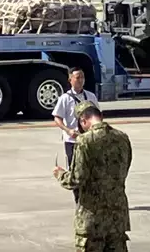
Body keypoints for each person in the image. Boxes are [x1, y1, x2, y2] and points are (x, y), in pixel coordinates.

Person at [53, 102, 133, 252]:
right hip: (117, 215)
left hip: (93, 216)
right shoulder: (122, 138)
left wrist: (61, 175)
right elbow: (125, 168)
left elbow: (76, 179)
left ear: (83, 120)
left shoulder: (85, 141)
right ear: (100, 116)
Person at [52, 67, 99, 203]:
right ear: (70, 80)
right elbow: (57, 118)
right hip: (72, 141)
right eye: (77, 77)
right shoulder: (65, 98)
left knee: (91, 169)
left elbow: (98, 116)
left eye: (82, 77)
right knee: (75, 171)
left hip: (89, 139)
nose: (80, 80)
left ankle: (91, 198)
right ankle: (78, 199)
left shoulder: (91, 97)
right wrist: (68, 130)